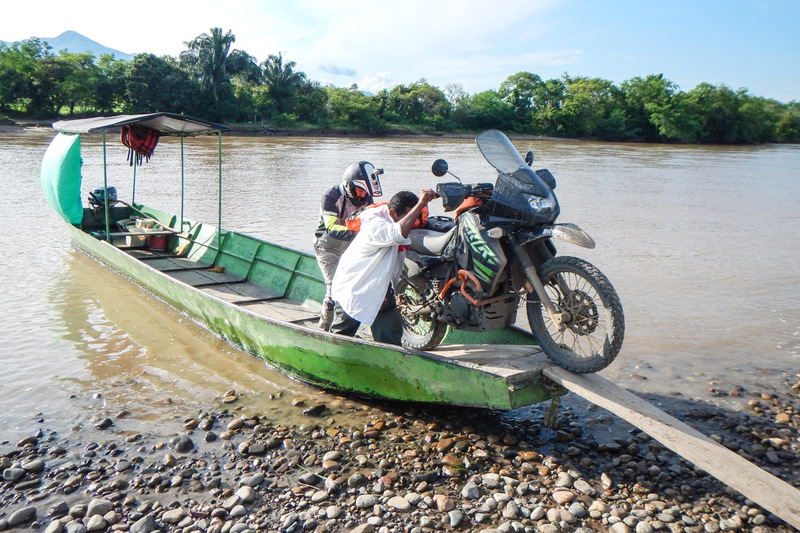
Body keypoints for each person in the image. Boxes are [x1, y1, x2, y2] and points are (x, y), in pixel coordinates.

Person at [329, 189, 437, 345]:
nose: (412, 222)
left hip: (379, 289)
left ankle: (390, 363)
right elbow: (398, 233)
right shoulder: (376, 224)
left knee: (391, 339)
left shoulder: (392, 219)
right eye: (407, 217)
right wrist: (422, 203)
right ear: (392, 213)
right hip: (354, 287)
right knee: (341, 337)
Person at [314, 161, 384, 329]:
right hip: (326, 247)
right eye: (360, 190)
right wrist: (358, 233)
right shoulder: (331, 196)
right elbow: (331, 228)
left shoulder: (366, 198)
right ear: (349, 185)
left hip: (349, 248)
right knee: (333, 289)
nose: (362, 195)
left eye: (364, 192)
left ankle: (345, 328)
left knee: (355, 285)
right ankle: (324, 328)